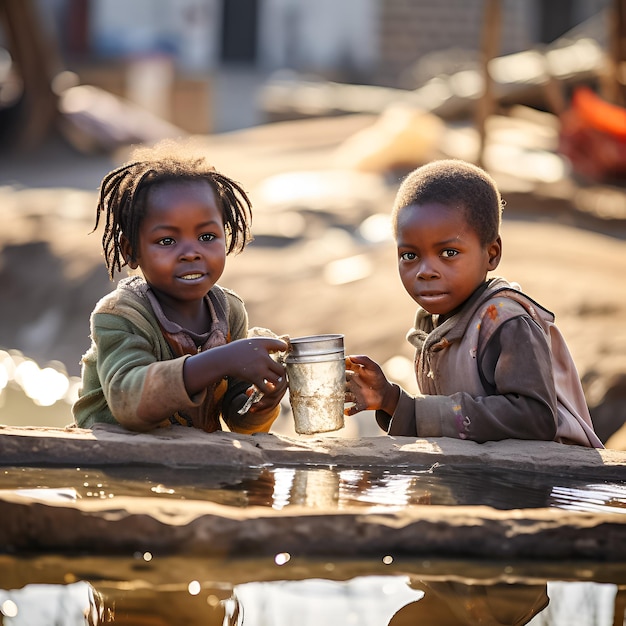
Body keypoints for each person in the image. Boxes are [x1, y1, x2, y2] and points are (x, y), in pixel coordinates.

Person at [345, 159, 603, 447]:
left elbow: (534, 419)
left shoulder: (505, 322)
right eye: (409, 255)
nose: (425, 271)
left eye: (449, 252)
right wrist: (387, 400)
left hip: (554, 481)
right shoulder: (435, 328)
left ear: (491, 254)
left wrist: (405, 405)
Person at [73, 140, 288, 433]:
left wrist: (261, 402)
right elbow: (128, 400)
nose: (191, 252)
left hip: (190, 461)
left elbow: (237, 417)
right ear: (130, 251)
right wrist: (223, 359)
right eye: (167, 241)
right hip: (114, 460)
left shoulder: (229, 312)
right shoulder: (120, 314)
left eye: (207, 236)